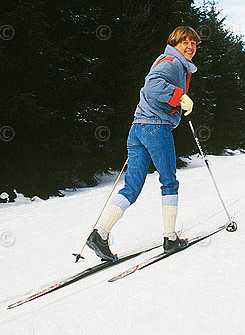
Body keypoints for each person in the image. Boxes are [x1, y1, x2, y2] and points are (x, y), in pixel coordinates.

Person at [86, 26, 201, 260]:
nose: (190, 47)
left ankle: (100, 234)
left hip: (138, 128)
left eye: (194, 43)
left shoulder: (171, 62)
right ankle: (170, 238)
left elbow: (153, 90)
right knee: (169, 181)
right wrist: (181, 97)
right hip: (155, 128)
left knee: (132, 187)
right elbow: (153, 86)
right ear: (175, 44)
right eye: (185, 42)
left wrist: (177, 103)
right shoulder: (171, 61)